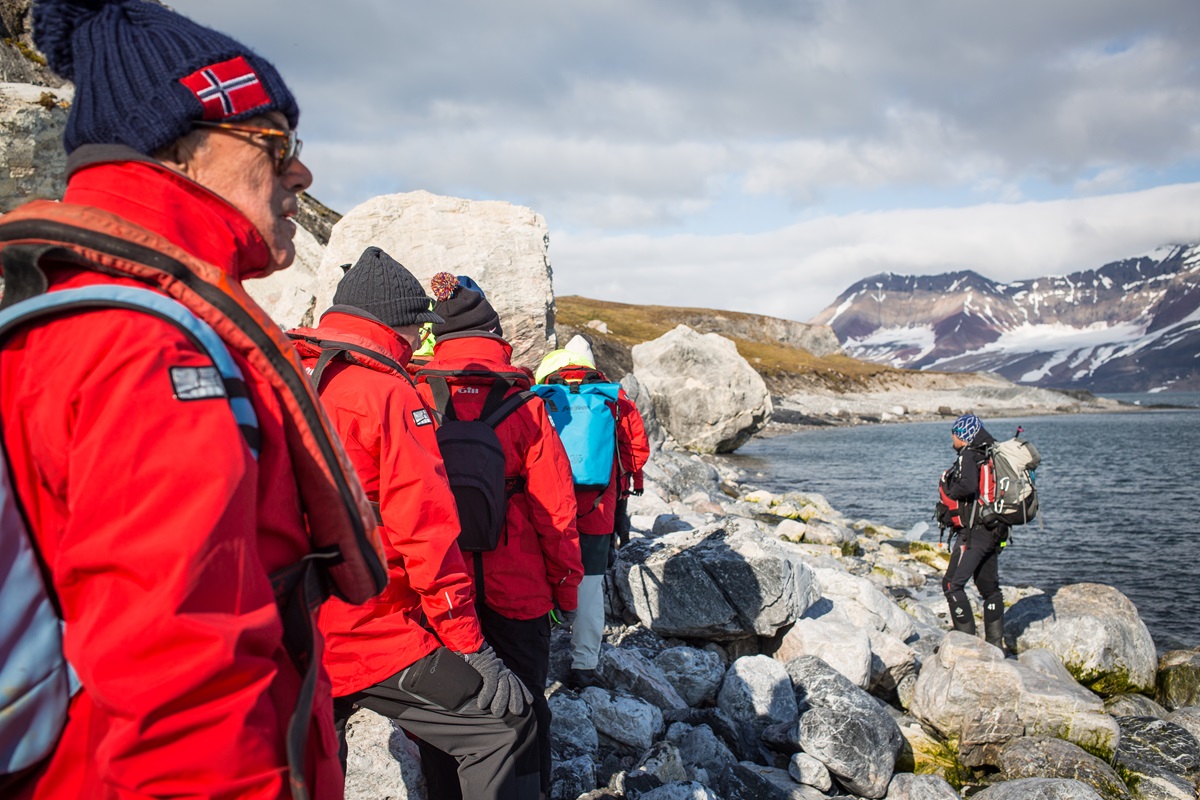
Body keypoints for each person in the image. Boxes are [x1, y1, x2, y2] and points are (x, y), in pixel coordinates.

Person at [0, 0, 386, 797]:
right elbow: (182, 688)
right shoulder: (149, 350)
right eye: (273, 143)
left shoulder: (66, 313)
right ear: (177, 152)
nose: (301, 173)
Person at [288, 247, 539, 799]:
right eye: (414, 329)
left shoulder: (276, 370)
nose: (417, 343)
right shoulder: (386, 391)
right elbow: (425, 529)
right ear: (395, 325)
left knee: (313, 757)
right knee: (502, 725)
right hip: (368, 630)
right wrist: (471, 645)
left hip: (283, 626)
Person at [414, 272, 583, 798]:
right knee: (527, 701)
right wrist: (566, 590)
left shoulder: (414, 396)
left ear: (437, 336)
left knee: (447, 710)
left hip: (443, 586)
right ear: (496, 334)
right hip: (520, 588)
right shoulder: (527, 405)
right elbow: (556, 512)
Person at [533, 336, 650, 690]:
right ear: (591, 364)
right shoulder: (614, 399)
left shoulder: (541, 396)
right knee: (589, 584)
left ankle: (536, 655)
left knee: (540, 576)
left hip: (546, 506)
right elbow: (637, 454)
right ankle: (584, 664)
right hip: (598, 510)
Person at [939, 413, 1007, 650]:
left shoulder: (968, 455)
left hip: (974, 532)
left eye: (955, 433)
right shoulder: (991, 452)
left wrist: (948, 488)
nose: (952, 437)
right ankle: (996, 646)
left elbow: (967, 487)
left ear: (964, 435)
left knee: (952, 585)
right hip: (996, 530)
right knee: (990, 589)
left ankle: (965, 643)